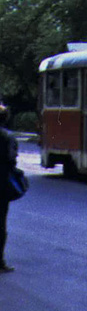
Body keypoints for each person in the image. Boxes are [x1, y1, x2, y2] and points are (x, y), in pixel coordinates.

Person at [0, 101, 20, 273]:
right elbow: (12, 159)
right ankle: (0, 261)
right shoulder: (7, 138)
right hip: (1, 185)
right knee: (1, 223)